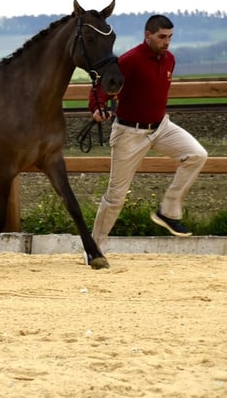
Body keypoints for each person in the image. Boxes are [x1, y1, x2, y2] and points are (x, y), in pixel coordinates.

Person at [88, 14, 208, 254]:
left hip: (161, 127)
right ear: (148, 35)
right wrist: (97, 109)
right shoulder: (130, 60)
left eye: (170, 37)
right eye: (162, 37)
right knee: (115, 198)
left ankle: (168, 210)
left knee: (197, 154)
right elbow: (100, 90)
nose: (167, 42)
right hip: (128, 133)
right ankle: (94, 248)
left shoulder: (169, 60)